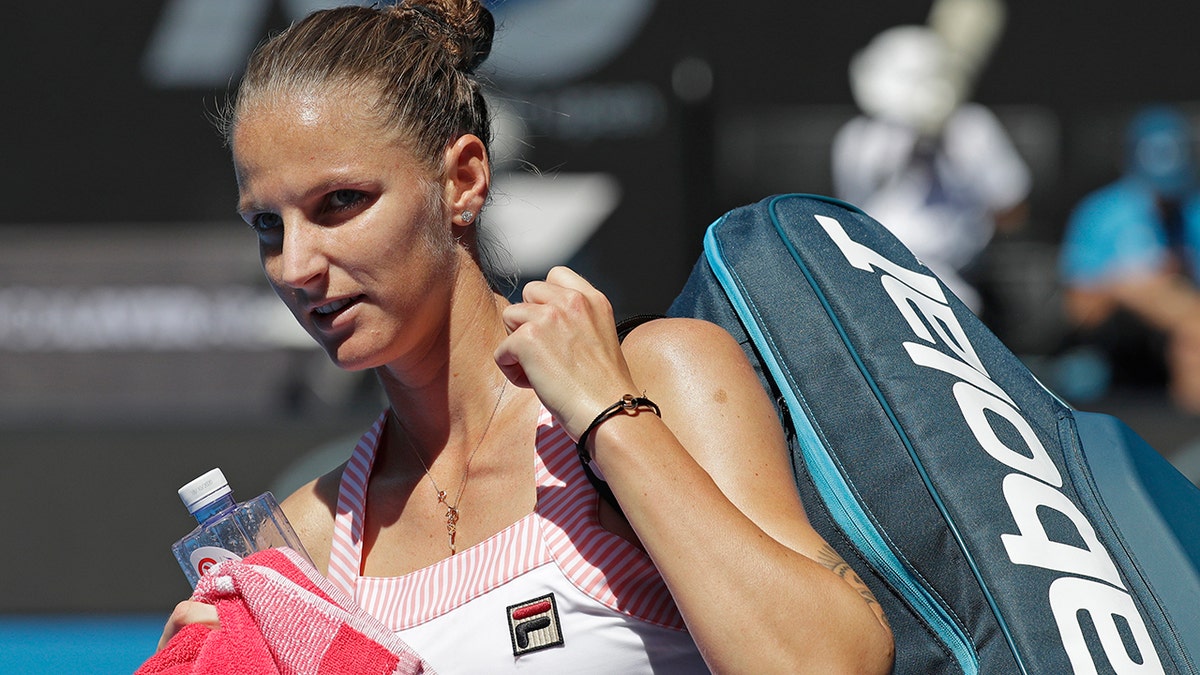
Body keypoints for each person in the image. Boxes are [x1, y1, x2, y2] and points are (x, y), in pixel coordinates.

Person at [156, 2, 895, 672]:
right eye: (266, 225)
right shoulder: (306, 541)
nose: (295, 264)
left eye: (340, 202)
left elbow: (835, 664)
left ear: (464, 180)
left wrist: (610, 419)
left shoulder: (660, 375)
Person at [831, 23, 1030, 316]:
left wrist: (958, 159)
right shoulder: (857, 137)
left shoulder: (972, 127)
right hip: (868, 271)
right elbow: (851, 208)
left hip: (953, 279)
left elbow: (1012, 211)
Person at [1059, 105, 1200, 412]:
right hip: (1113, 341)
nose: (1164, 201)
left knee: (1194, 340)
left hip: (1180, 335)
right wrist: (1127, 286)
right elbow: (1078, 310)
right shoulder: (1101, 214)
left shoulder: (1193, 213)